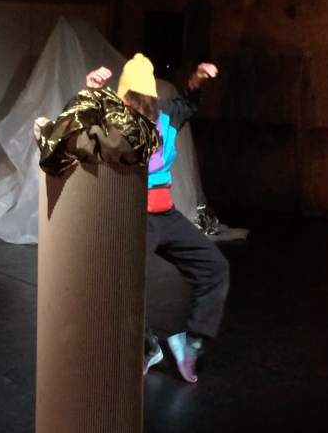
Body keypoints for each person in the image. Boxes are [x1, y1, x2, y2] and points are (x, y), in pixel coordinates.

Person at [85, 55, 229, 383]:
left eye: (145, 102)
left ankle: (190, 343)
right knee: (121, 283)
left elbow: (188, 102)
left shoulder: (165, 116)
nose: (140, 109)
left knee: (215, 268)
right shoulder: (111, 121)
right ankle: (146, 347)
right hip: (133, 217)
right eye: (132, 102)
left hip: (166, 215)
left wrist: (197, 78)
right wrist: (90, 91)